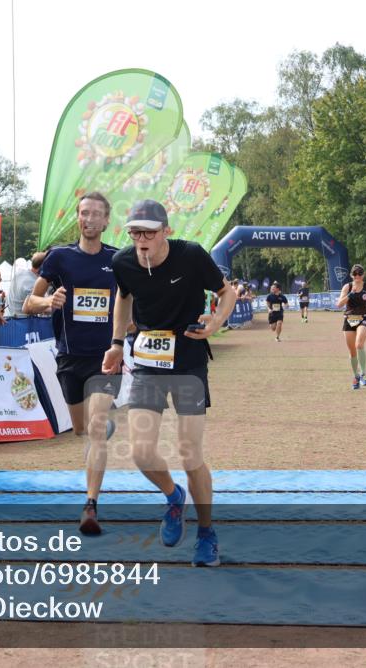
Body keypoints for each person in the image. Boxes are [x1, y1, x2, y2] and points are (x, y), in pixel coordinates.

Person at [102, 199, 236, 567]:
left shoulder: (191, 255)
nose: (141, 240)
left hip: (189, 362)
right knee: (141, 452)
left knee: (190, 453)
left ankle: (206, 533)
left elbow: (227, 293)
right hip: (147, 363)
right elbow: (123, 296)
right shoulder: (123, 262)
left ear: (166, 231)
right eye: (135, 233)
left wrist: (215, 323)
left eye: (149, 232)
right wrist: (116, 344)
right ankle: (174, 497)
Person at [24, 192, 120, 535]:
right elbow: (28, 303)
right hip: (68, 358)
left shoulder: (118, 260)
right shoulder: (60, 258)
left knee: (95, 429)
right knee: (81, 428)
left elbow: (134, 303)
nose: (89, 219)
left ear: (107, 221)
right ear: (78, 218)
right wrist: (48, 300)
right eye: (84, 213)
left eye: (96, 214)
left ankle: (90, 505)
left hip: (106, 358)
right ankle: (97, 428)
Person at [335, 264, 366, 390]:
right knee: (352, 352)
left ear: (363, 274)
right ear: (351, 275)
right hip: (349, 320)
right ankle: (356, 376)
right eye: (355, 273)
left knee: (359, 344)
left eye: (360, 273)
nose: (357, 276)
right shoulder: (347, 287)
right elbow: (339, 304)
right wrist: (350, 294)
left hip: (363, 318)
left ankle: (363, 374)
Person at [10, 251, 48, 317]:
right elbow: (37, 308)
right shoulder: (32, 284)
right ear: (42, 267)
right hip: (24, 323)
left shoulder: (19, 273)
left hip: (12, 319)